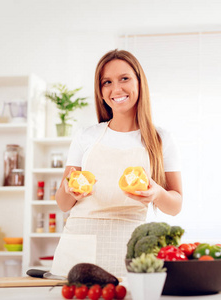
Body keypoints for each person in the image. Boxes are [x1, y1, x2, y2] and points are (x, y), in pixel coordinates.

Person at [51, 49, 183, 277]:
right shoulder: (86, 136)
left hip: (128, 249)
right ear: (100, 91)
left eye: (124, 78)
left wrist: (157, 194)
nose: (116, 89)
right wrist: (70, 190)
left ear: (139, 83)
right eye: (107, 82)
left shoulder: (160, 139)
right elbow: (63, 204)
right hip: (78, 248)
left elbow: (176, 205)